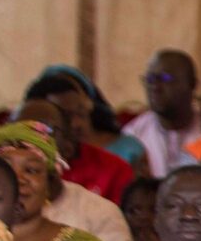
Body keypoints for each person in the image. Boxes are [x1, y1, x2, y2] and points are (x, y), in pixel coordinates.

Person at [21, 69, 137, 206]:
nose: (77, 124)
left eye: (81, 113)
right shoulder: (15, 170)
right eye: (66, 116)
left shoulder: (115, 169)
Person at [125, 49, 201, 178]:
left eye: (165, 78)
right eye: (150, 79)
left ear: (192, 84)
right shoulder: (134, 135)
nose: (155, 87)